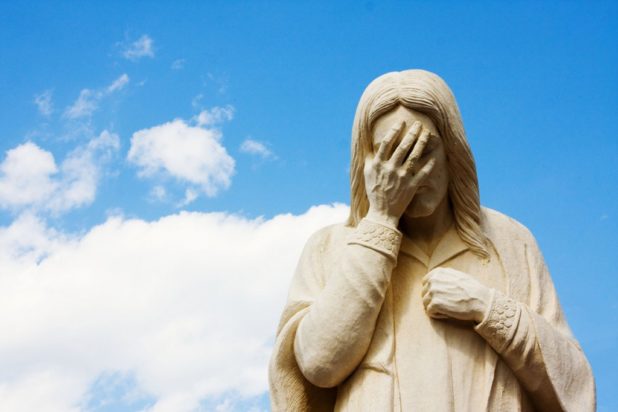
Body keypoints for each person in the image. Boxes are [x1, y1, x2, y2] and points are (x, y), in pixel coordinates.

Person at [269, 70, 595, 411]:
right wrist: (380, 220)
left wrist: (487, 308)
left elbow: (572, 382)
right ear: (367, 162)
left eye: (422, 148)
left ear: (452, 150)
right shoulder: (331, 246)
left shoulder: (509, 240)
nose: (408, 169)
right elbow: (320, 364)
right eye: (390, 152)